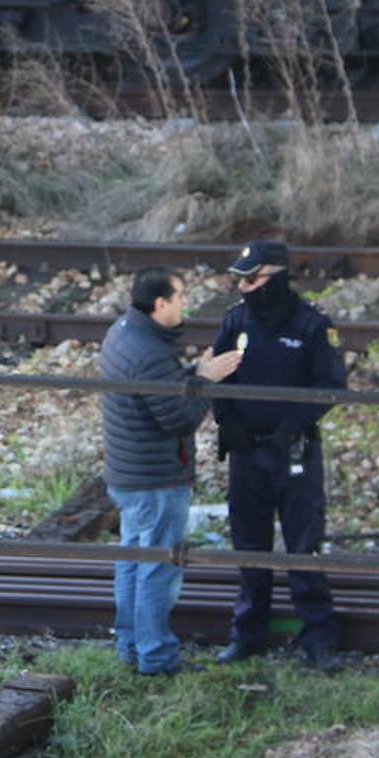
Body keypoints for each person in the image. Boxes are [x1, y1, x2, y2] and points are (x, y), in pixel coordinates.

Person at [211, 239, 347, 673]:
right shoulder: (235, 321)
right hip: (247, 452)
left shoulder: (311, 325)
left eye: (252, 279)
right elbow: (216, 376)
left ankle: (318, 638)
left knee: (303, 546)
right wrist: (228, 425)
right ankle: (248, 634)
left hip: (294, 451)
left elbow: (329, 386)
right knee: (249, 545)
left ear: (278, 276)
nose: (244, 287)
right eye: (239, 279)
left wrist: (290, 427)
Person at [100, 266, 242, 677]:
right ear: (160, 303)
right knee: (159, 569)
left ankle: (131, 647)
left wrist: (191, 376)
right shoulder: (149, 352)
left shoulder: (123, 333)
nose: (186, 303)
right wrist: (207, 381)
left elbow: (157, 393)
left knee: (132, 562)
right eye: (180, 296)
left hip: (128, 474)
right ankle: (157, 658)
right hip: (155, 479)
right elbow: (179, 419)